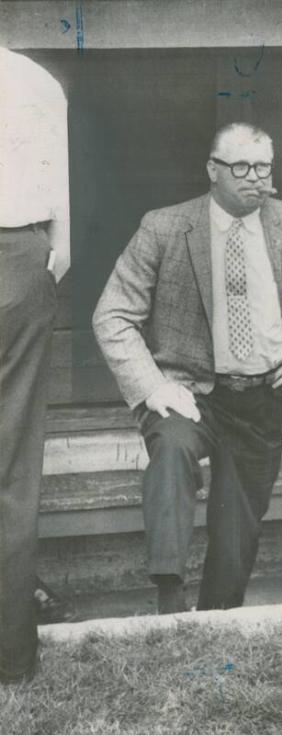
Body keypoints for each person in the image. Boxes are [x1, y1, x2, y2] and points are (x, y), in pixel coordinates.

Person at [93, 122, 282, 614]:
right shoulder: (164, 228)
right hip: (191, 392)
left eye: (263, 167)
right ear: (213, 170)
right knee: (172, 450)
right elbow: (113, 314)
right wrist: (152, 384)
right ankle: (168, 589)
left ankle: (216, 619)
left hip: (263, 394)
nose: (255, 178)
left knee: (238, 520)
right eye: (241, 167)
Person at [0, 48, 70, 684]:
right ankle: (10, 657)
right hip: (23, 255)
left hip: (22, 256)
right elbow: (62, 237)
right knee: (12, 463)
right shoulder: (34, 79)